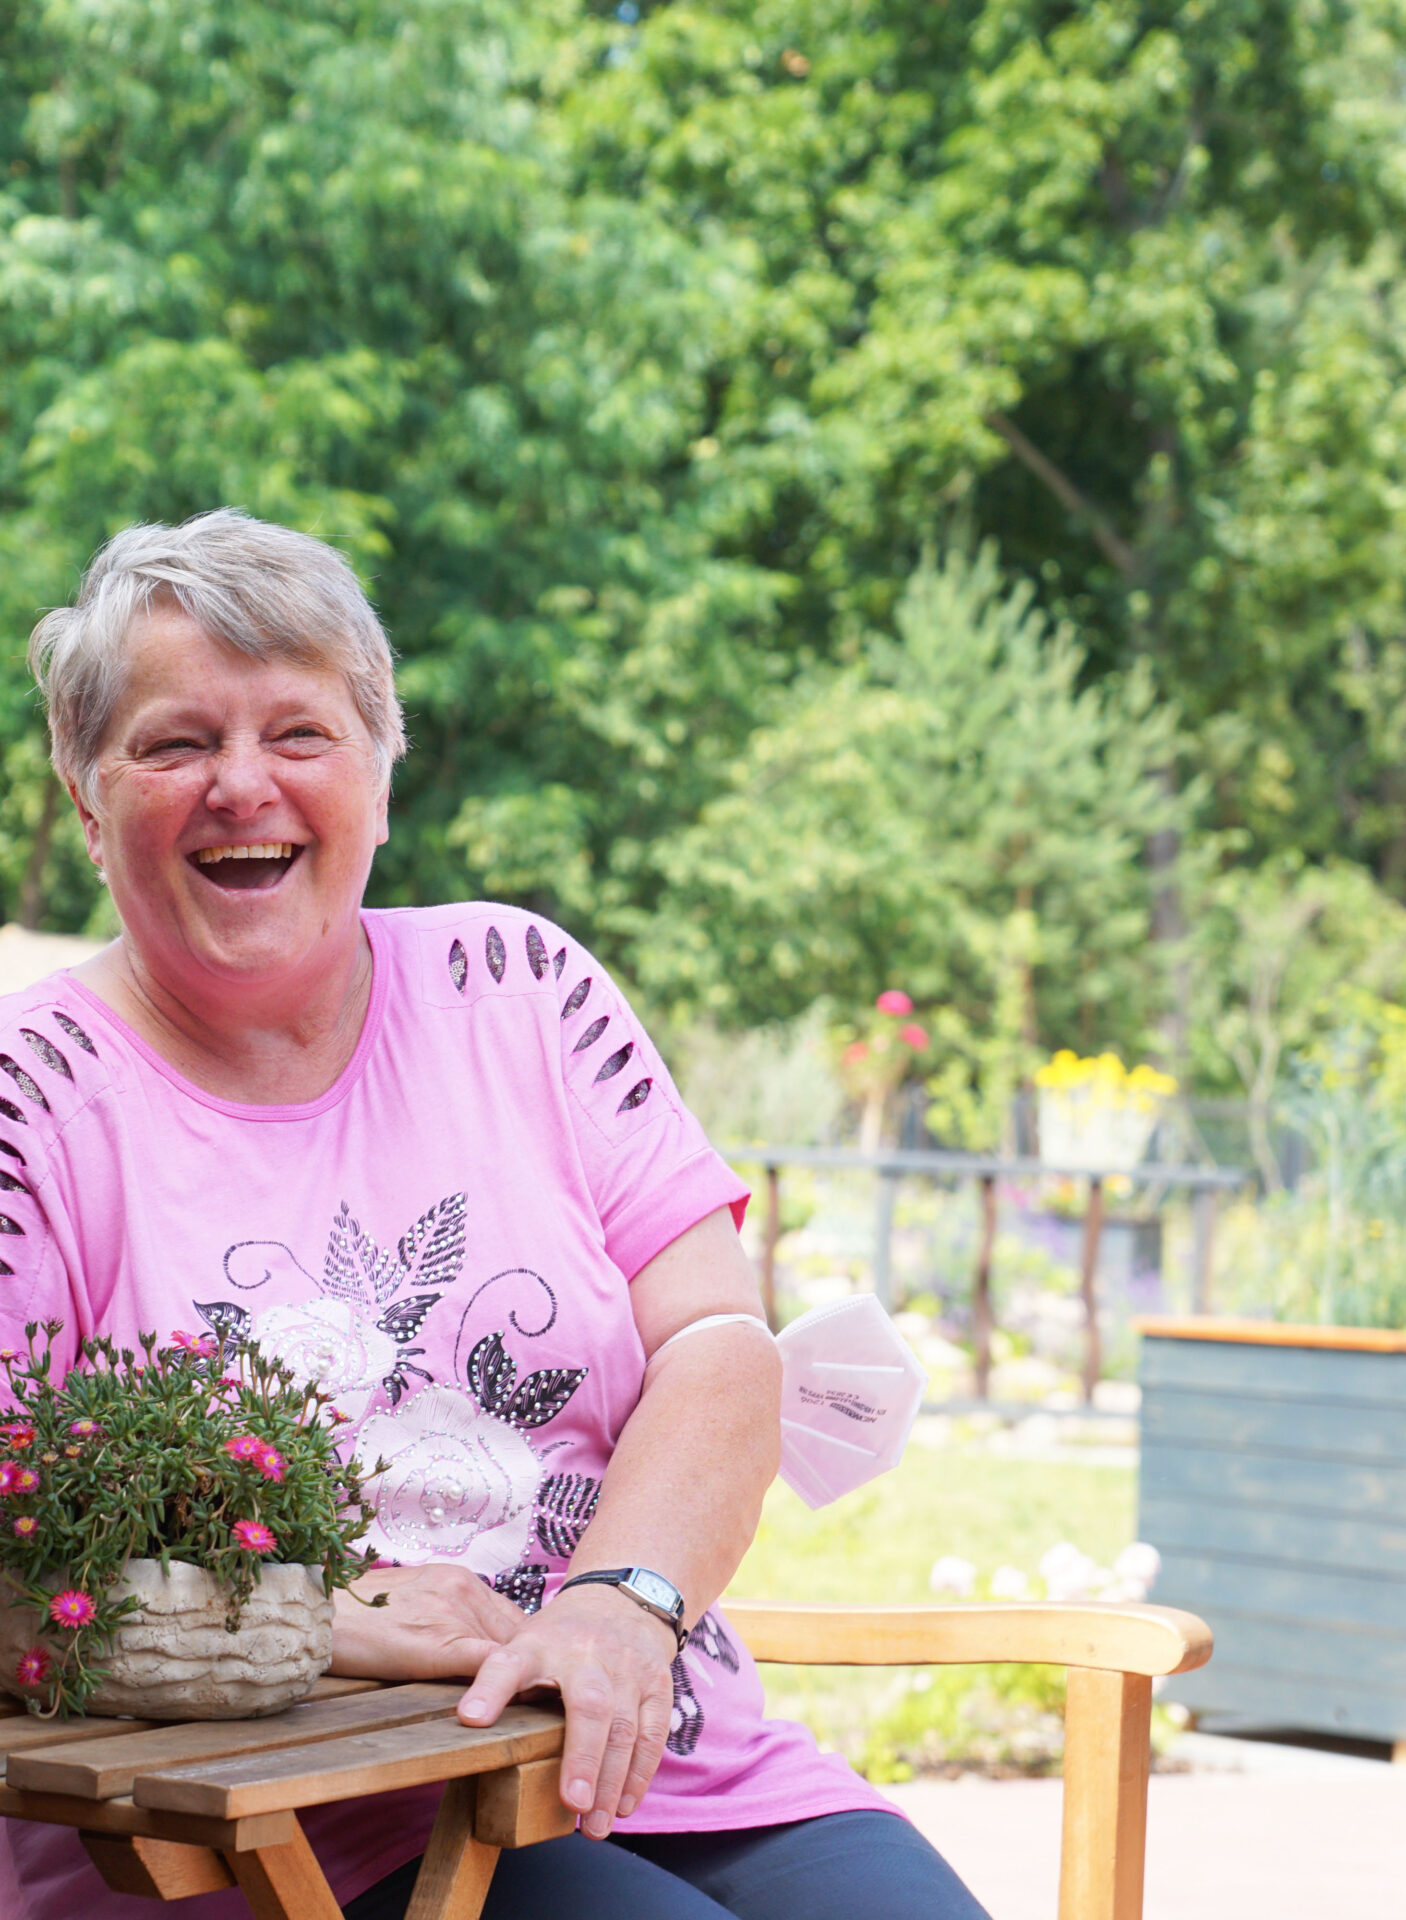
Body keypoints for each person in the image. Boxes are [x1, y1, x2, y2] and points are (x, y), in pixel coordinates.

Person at [0, 511, 988, 1920]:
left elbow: (719, 1339)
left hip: (657, 1753)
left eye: (301, 734)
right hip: (287, 1841)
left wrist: (619, 1605)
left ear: (383, 777)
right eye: (173, 745)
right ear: (88, 802)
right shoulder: (32, 1104)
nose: (242, 786)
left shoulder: (519, 989)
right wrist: (324, 1620)